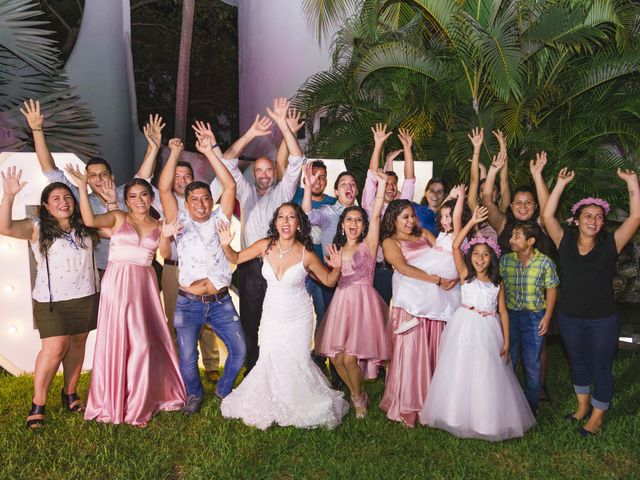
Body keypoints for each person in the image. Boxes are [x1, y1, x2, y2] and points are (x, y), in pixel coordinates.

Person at [65, 167, 185, 427]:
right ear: (126, 199)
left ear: (151, 197)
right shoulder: (118, 217)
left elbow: (165, 253)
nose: (139, 200)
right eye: (133, 196)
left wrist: (165, 236)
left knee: (143, 343)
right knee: (118, 340)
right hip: (118, 281)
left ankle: (139, 402)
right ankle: (114, 400)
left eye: (143, 195)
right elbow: (88, 221)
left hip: (144, 283)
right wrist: (84, 188)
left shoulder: (159, 224)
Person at [218, 203, 349, 429]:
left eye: (291, 217)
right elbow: (236, 258)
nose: (286, 222)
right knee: (269, 357)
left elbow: (328, 281)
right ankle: (272, 400)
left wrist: (337, 267)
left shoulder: (306, 254)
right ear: (275, 222)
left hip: (298, 316)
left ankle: (299, 402)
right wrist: (225, 244)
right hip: (272, 315)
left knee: (296, 360)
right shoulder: (264, 246)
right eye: (281, 217)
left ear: (299, 224)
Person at [420, 207, 535, 441]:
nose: (479, 259)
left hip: (488, 329)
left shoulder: (497, 284)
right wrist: (471, 220)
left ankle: (486, 419)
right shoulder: (465, 276)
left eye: (485, 255)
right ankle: (454, 415)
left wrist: (505, 341)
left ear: (492, 258)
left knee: (486, 371)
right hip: (463, 327)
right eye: (475, 254)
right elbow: (454, 246)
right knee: (460, 368)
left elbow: (503, 313)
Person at [541, 167, 640, 436]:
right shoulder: (564, 242)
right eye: (588, 216)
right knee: (578, 361)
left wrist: (631, 181)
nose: (593, 221)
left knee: (601, 367)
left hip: (602, 320)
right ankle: (582, 406)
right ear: (576, 219)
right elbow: (547, 215)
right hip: (570, 317)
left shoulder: (612, 244)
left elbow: (636, 216)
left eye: (598, 217)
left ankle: (596, 417)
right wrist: (560, 183)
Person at [209, 97, 305, 373]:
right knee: (250, 322)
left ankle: (281, 369)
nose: (263, 174)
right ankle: (252, 371)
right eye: (259, 170)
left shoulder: (283, 193)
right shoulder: (245, 191)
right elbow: (226, 162)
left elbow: (296, 160)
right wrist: (251, 133)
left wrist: (283, 125)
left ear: (275, 173)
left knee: (278, 320)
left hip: (279, 265)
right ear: (254, 172)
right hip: (250, 266)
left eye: (268, 170)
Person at [0, 168, 99, 428]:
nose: (63, 202)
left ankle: (69, 393)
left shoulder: (87, 226)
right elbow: (5, 227)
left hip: (86, 296)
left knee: (77, 344)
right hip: (52, 301)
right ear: (46, 205)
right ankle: (38, 402)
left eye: (67, 197)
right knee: (54, 348)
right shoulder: (37, 227)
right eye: (55, 198)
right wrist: (8, 195)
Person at [20, 99, 164, 274]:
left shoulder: (127, 194)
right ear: (87, 180)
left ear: (112, 177)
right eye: (93, 175)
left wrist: (154, 147)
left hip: (139, 267)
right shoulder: (80, 198)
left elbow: (144, 176)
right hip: (101, 270)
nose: (99, 179)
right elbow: (51, 171)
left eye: (103, 174)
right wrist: (37, 130)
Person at [158, 136, 245, 415]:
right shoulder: (178, 221)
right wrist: (174, 152)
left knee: (239, 350)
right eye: (194, 199)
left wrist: (209, 152)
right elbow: (163, 188)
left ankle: (223, 391)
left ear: (211, 201)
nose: (200, 203)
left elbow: (230, 185)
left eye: (205, 198)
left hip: (221, 301)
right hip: (189, 302)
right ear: (187, 202)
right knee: (186, 359)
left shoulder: (221, 219)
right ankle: (194, 394)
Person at [315, 172, 392, 418]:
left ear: (363, 226)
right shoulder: (336, 249)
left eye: (359, 220)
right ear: (342, 224)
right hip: (341, 303)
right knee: (336, 359)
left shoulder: (368, 244)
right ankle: (355, 391)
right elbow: (332, 280)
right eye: (349, 219)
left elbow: (377, 212)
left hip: (362, 304)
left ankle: (359, 398)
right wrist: (334, 265)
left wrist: (380, 185)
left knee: (350, 359)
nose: (354, 223)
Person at [379, 200, 458, 427]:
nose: (411, 220)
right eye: (405, 217)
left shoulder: (424, 233)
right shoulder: (390, 242)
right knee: (414, 351)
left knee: (436, 347)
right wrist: (437, 280)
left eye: (412, 216)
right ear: (393, 218)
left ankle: (437, 401)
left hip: (436, 302)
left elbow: (444, 254)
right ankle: (412, 403)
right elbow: (403, 268)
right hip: (412, 304)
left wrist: (451, 276)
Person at [499, 222, 559, 414]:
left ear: (531, 241)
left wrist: (547, 317)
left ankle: (530, 407)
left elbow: (551, 289)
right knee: (510, 358)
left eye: (517, 236)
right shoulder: (505, 260)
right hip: (511, 316)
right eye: (512, 235)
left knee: (532, 362)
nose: (511, 240)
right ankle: (508, 401)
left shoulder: (545, 263)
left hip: (534, 316)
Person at [392, 186, 465, 335]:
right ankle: (412, 315)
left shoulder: (457, 234)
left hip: (446, 264)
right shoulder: (444, 233)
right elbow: (439, 214)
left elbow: (456, 216)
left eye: (448, 217)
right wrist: (450, 196)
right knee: (404, 276)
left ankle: (417, 313)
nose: (444, 220)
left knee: (424, 283)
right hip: (435, 259)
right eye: (443, 217)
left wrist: (461, 197)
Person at [363, 124, 416, 304]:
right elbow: (371, 176)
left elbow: (409, 180)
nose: (391, 187)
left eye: (394, 184)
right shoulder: (371, 206)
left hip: (404, 269)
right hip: (379, 270)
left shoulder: (401, 207)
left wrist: (408, 149)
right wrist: (378, 145)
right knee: (379, 312)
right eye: (387, 183)